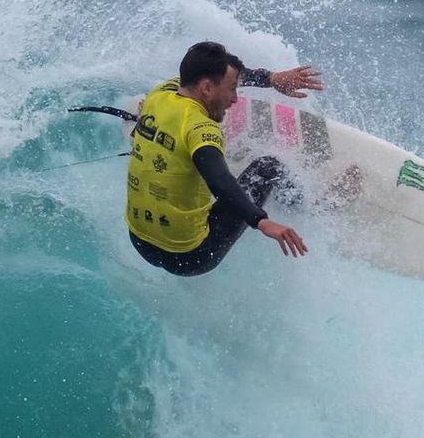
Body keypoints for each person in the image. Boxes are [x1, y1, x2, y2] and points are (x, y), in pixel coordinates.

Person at [126, 41, 324, 276]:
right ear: (207, 88)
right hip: (191, 256)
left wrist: (272, 79)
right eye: (232, 89)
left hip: (139, 241)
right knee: (268, 168)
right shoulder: (201, 128)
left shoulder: (159, 95)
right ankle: (314, 205)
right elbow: (219, 180)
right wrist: (261, 221)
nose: (235, 98)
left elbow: (221, 74)